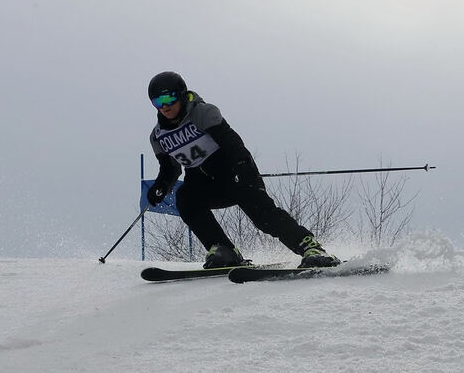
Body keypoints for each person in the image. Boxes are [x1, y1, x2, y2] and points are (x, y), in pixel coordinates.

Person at [144, 71, 340, 269]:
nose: (165, 106)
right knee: (185, 197)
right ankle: (222, 249)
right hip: (204, 185)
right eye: (158, 102)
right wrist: (161, 186)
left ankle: (310, 247)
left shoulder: (202, 113)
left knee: (263, 217)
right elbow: (169, 169)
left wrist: (244, 167)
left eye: (169, 98)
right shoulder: (158, 137)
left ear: (182, 94)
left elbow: (231, 143)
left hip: (234, 174)